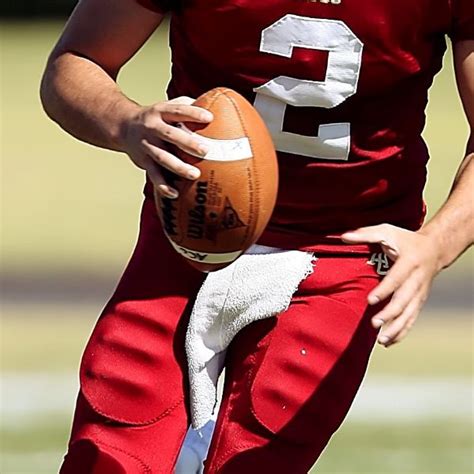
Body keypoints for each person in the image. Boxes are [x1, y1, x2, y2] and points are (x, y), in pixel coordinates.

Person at [40, 0, 473, 472]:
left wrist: (436, 245)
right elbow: (77, 60)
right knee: (107, 458)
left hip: (344, 251)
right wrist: (125, 122)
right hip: (193, 232)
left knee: (257, 458)